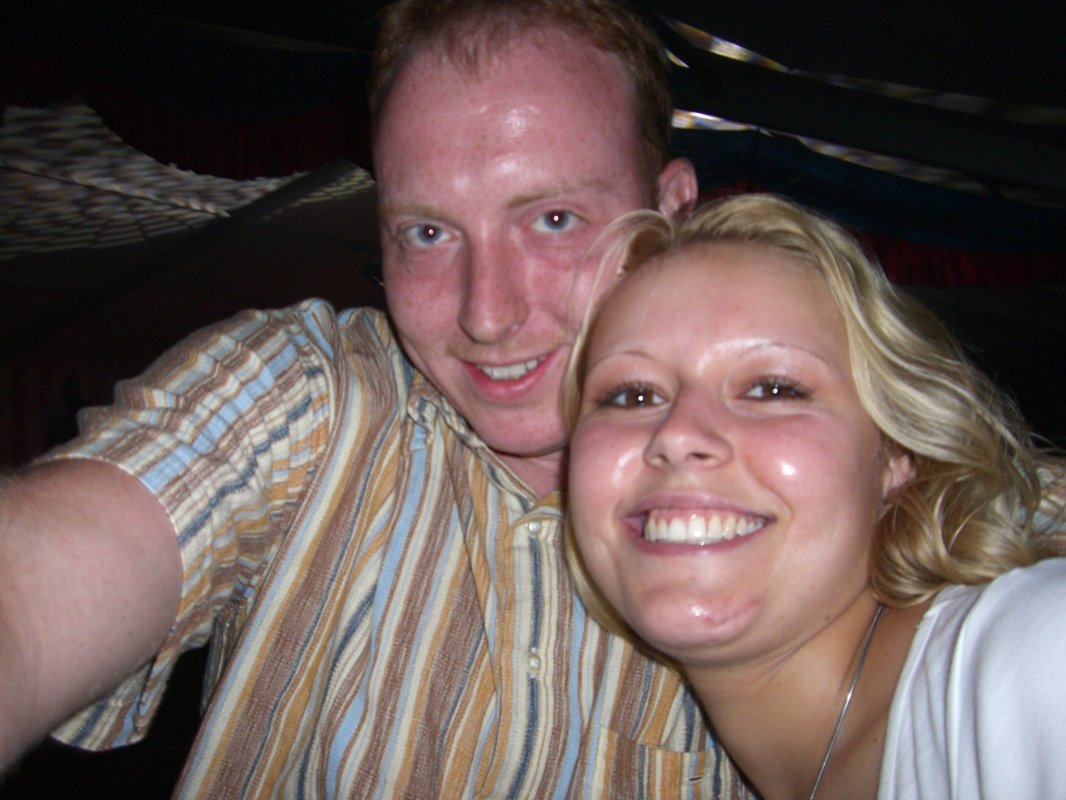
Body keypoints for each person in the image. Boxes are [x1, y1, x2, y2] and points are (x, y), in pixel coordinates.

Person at [0, 0, 757, 796]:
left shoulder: (778, 494)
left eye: (555, 219)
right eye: (427, 233)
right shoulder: (303, 396)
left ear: (671, 210)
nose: (485, 314)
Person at [565, 193, 1066, 799]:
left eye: (773, 389)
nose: (677, 435)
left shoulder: (1030, 662)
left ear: (895, 455)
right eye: (632, 395)